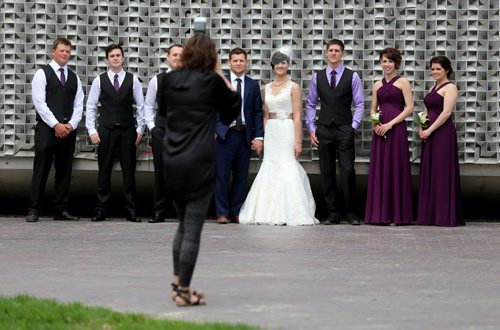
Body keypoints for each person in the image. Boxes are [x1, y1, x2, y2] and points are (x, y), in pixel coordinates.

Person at [158, 33, 240, 306]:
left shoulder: (168, 80)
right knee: (192, 227)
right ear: (211, 56)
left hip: (171, 161)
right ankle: (183, 292)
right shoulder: (211, 81)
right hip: (199, 163)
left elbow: (163, 113)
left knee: (182, 224)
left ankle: (177, 285)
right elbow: (231, 110)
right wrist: (219, 72)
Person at [239, 47, 318, 226]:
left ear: (288, 65)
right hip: (272, 131)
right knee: (270, 165)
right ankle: (266, 212)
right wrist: (262, 137)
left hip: (287, 129)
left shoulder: (294, 87)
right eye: (277, 63)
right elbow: (265, 115)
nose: (280, 66)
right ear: (272, 66)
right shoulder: (266, 87)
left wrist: (298, 141)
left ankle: (292, 211)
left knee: (287, 164)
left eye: (284, 62)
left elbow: (297, 115)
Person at [305, 39, 364, 225]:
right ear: (326, 53)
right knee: (327, 173)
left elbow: (360, 104)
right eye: (330, 50)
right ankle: (333, 213)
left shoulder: (352, 76)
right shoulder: (318, 76)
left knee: (347, 171)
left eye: (337, 50)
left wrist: (353, 126)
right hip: (324, 129)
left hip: (345, 128)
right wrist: (312, 128)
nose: (333, 53)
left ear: (343, 53)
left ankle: (352, 213)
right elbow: (311, 104)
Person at [26, 37, 85, 222]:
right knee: (41, 170)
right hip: (46, 130)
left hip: (67, 131)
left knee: (64, 171)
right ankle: (33, 209)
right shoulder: (42, 73)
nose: (65, 54)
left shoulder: (74, 77)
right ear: (53, 51)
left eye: (67, 51)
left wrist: (71, 125)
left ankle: (61, 210)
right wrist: (56, 124)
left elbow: (79, 104)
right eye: (61, 50)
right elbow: (39, 103)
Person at [86, 44, 145, 222]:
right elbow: (90, 106)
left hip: (127, 131)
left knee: (129, 172)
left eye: (118, 55)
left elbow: (141, 106)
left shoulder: (132, 79)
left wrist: (140, 129)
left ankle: (131, 210)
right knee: (103, 171)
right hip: (106, 130)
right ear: (107, 59)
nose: (115, 58)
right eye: (111, 56)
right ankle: (100, 209)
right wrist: (91, 129)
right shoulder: (99, 80)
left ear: (123, 57)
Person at [214, 47, 264, 224]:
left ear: (246, 62)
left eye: (241, 60)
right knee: (221, 175)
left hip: (244, 136)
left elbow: (257, 112)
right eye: (235, 60)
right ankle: (221, 212)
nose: (238, 63)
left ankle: (237, 211)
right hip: (224, 135)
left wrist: (259, 137)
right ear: (229, 62)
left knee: (241, 177)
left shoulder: (252, 85)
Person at [365, 48, 414, 225]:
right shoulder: (377, 85)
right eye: (384, 61)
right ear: (380, 63)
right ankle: (380, 214)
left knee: (395, 167)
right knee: (381, 169)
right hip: (379, 132)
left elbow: (409, 108)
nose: (387, 64)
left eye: (390, 61)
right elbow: (372, 109)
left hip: (396, 130)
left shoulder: (403, 82)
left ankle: (397, 215)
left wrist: (390, 124)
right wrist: (376, 124)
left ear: (397, 63)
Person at [416, 56, 464, 226]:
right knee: (431, 171)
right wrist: (422, 127)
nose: (434, 72)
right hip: (429, 134)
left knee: (442, 172)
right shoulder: (433, 87)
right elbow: (426, 110)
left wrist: (429, 129)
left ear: (446, 70)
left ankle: (444, 215)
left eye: (438, 69)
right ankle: (430, 214)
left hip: (442, 133)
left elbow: (446, 113)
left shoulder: (450, 87)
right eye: (433, 69)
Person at [144, 43, 184, 223]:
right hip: (162, 130)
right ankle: (159, 211)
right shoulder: (157, 80)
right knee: (161, 173)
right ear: (168, 57)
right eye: (174, 55)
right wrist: (152, 127)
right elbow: (148, 106)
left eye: (181, 55)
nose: (177, 58)